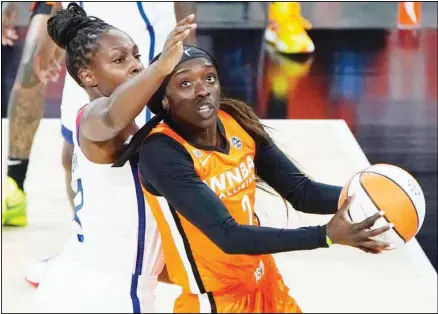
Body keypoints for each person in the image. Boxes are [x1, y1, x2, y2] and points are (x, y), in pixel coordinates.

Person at [112, 46, 393, 312]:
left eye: (209, 78)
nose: (202, 91)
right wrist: (325, 236)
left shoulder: (235, 120)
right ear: (164, 99)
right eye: (185, 84)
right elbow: (228, 236)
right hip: (215, 302)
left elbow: (301, 191)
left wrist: (367, 198)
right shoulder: (162, 152)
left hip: (265, 282)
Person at [30, 4, 197, 312]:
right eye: (120, 60)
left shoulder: (134, 126)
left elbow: (141, 246)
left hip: (85, 283)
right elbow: (111, 117)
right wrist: (158, 68)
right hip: (103, 296)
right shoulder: (97, 119)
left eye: (137, 56)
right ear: (88, 77)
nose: (135, 65)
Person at [1, 1, 196, 226]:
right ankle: (88, 234)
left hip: (137, 28)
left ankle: (167, 237)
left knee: (142, 154)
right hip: (86, 34)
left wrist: (188, 40)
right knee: (73, 155)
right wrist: (50, 34)